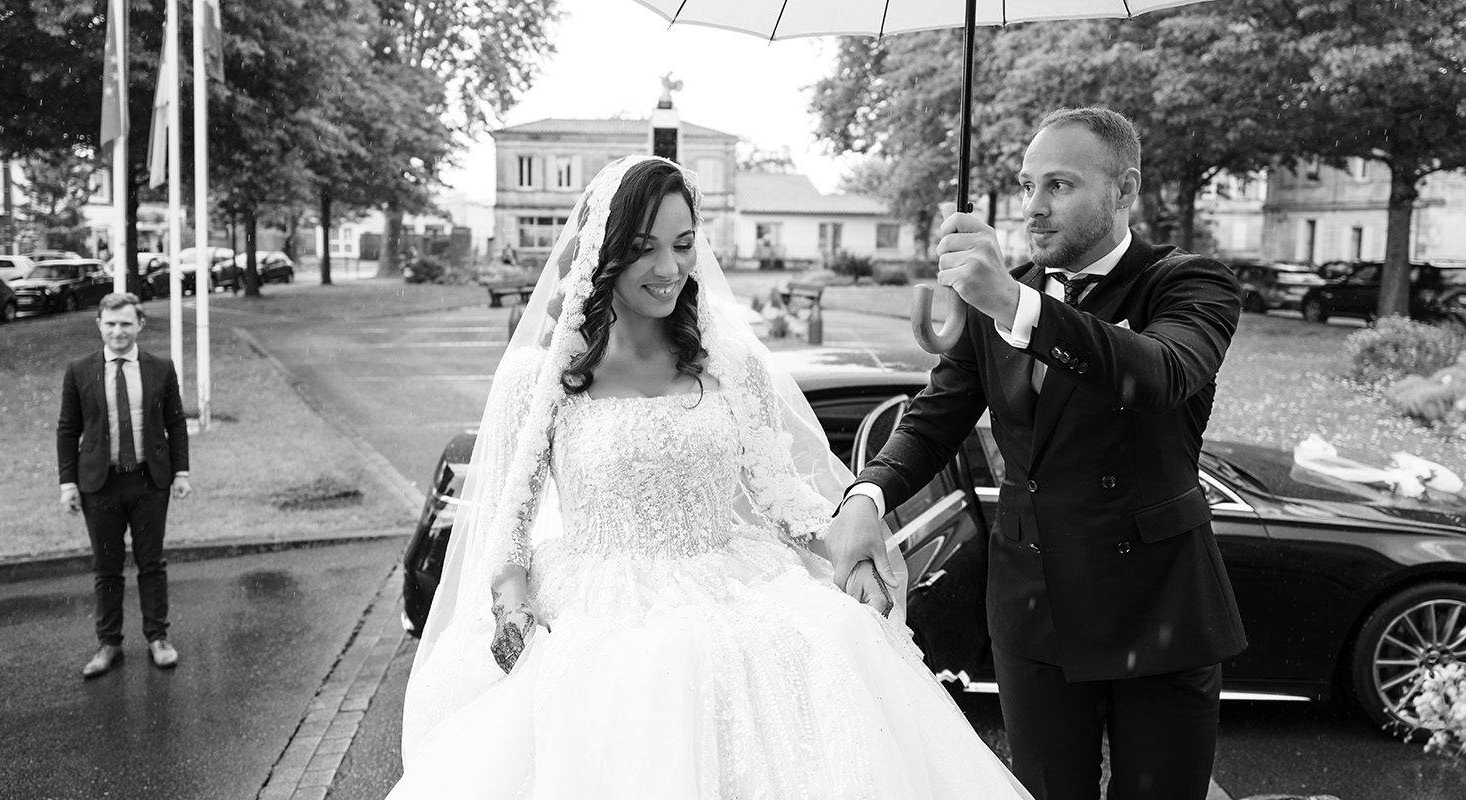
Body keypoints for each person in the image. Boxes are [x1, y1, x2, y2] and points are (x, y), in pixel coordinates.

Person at [389, 156, 1032, 799]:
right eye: (643, 249)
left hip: (735, 585)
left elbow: (780, 493)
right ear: (600, 253)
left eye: (684, 244)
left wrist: (845, 545)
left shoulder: (730, 362)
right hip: (596, 610)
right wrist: (511, 598)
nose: (669, 269)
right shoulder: (538, 380)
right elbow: (509, 523)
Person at [827, 108, 1246, 800]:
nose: (1034, 208)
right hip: (1034, 607)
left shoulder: (1189, 283)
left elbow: (1160, 372)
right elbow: (937, 414)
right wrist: (868, 494)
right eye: (1026, 187)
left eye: (1059, 186)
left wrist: (1014, 304)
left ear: (1124, 188)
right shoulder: (1005, 295)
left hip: (1160, 606)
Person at [57, 292, 191, 678]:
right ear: (99, 324)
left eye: (126, 323)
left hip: (149, 481)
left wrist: (181, 472)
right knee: (107, 567)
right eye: (111, 323)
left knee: (151, 562)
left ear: (140, 326)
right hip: (99, 484)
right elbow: (68, 430)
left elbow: (176, 422)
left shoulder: (160, 368)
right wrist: (67, 483)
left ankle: (157, 638)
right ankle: (109, 643)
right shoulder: (79, 370)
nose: (118, 331)